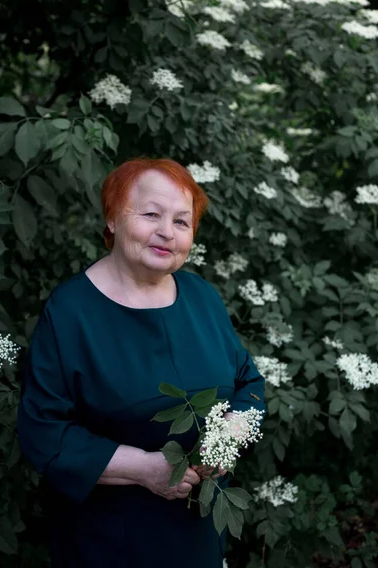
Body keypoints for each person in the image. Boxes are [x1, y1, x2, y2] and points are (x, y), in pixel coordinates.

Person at [17, 158, 266, 568]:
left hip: (199, 533)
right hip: (110, 540)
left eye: (182, 222)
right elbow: (45, 431)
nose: (167, 232)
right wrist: (144, 468)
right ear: (113, 218)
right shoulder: (70, 312)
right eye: (151, 214)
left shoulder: (201, 296)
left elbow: (248, 382)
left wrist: (227, 439)